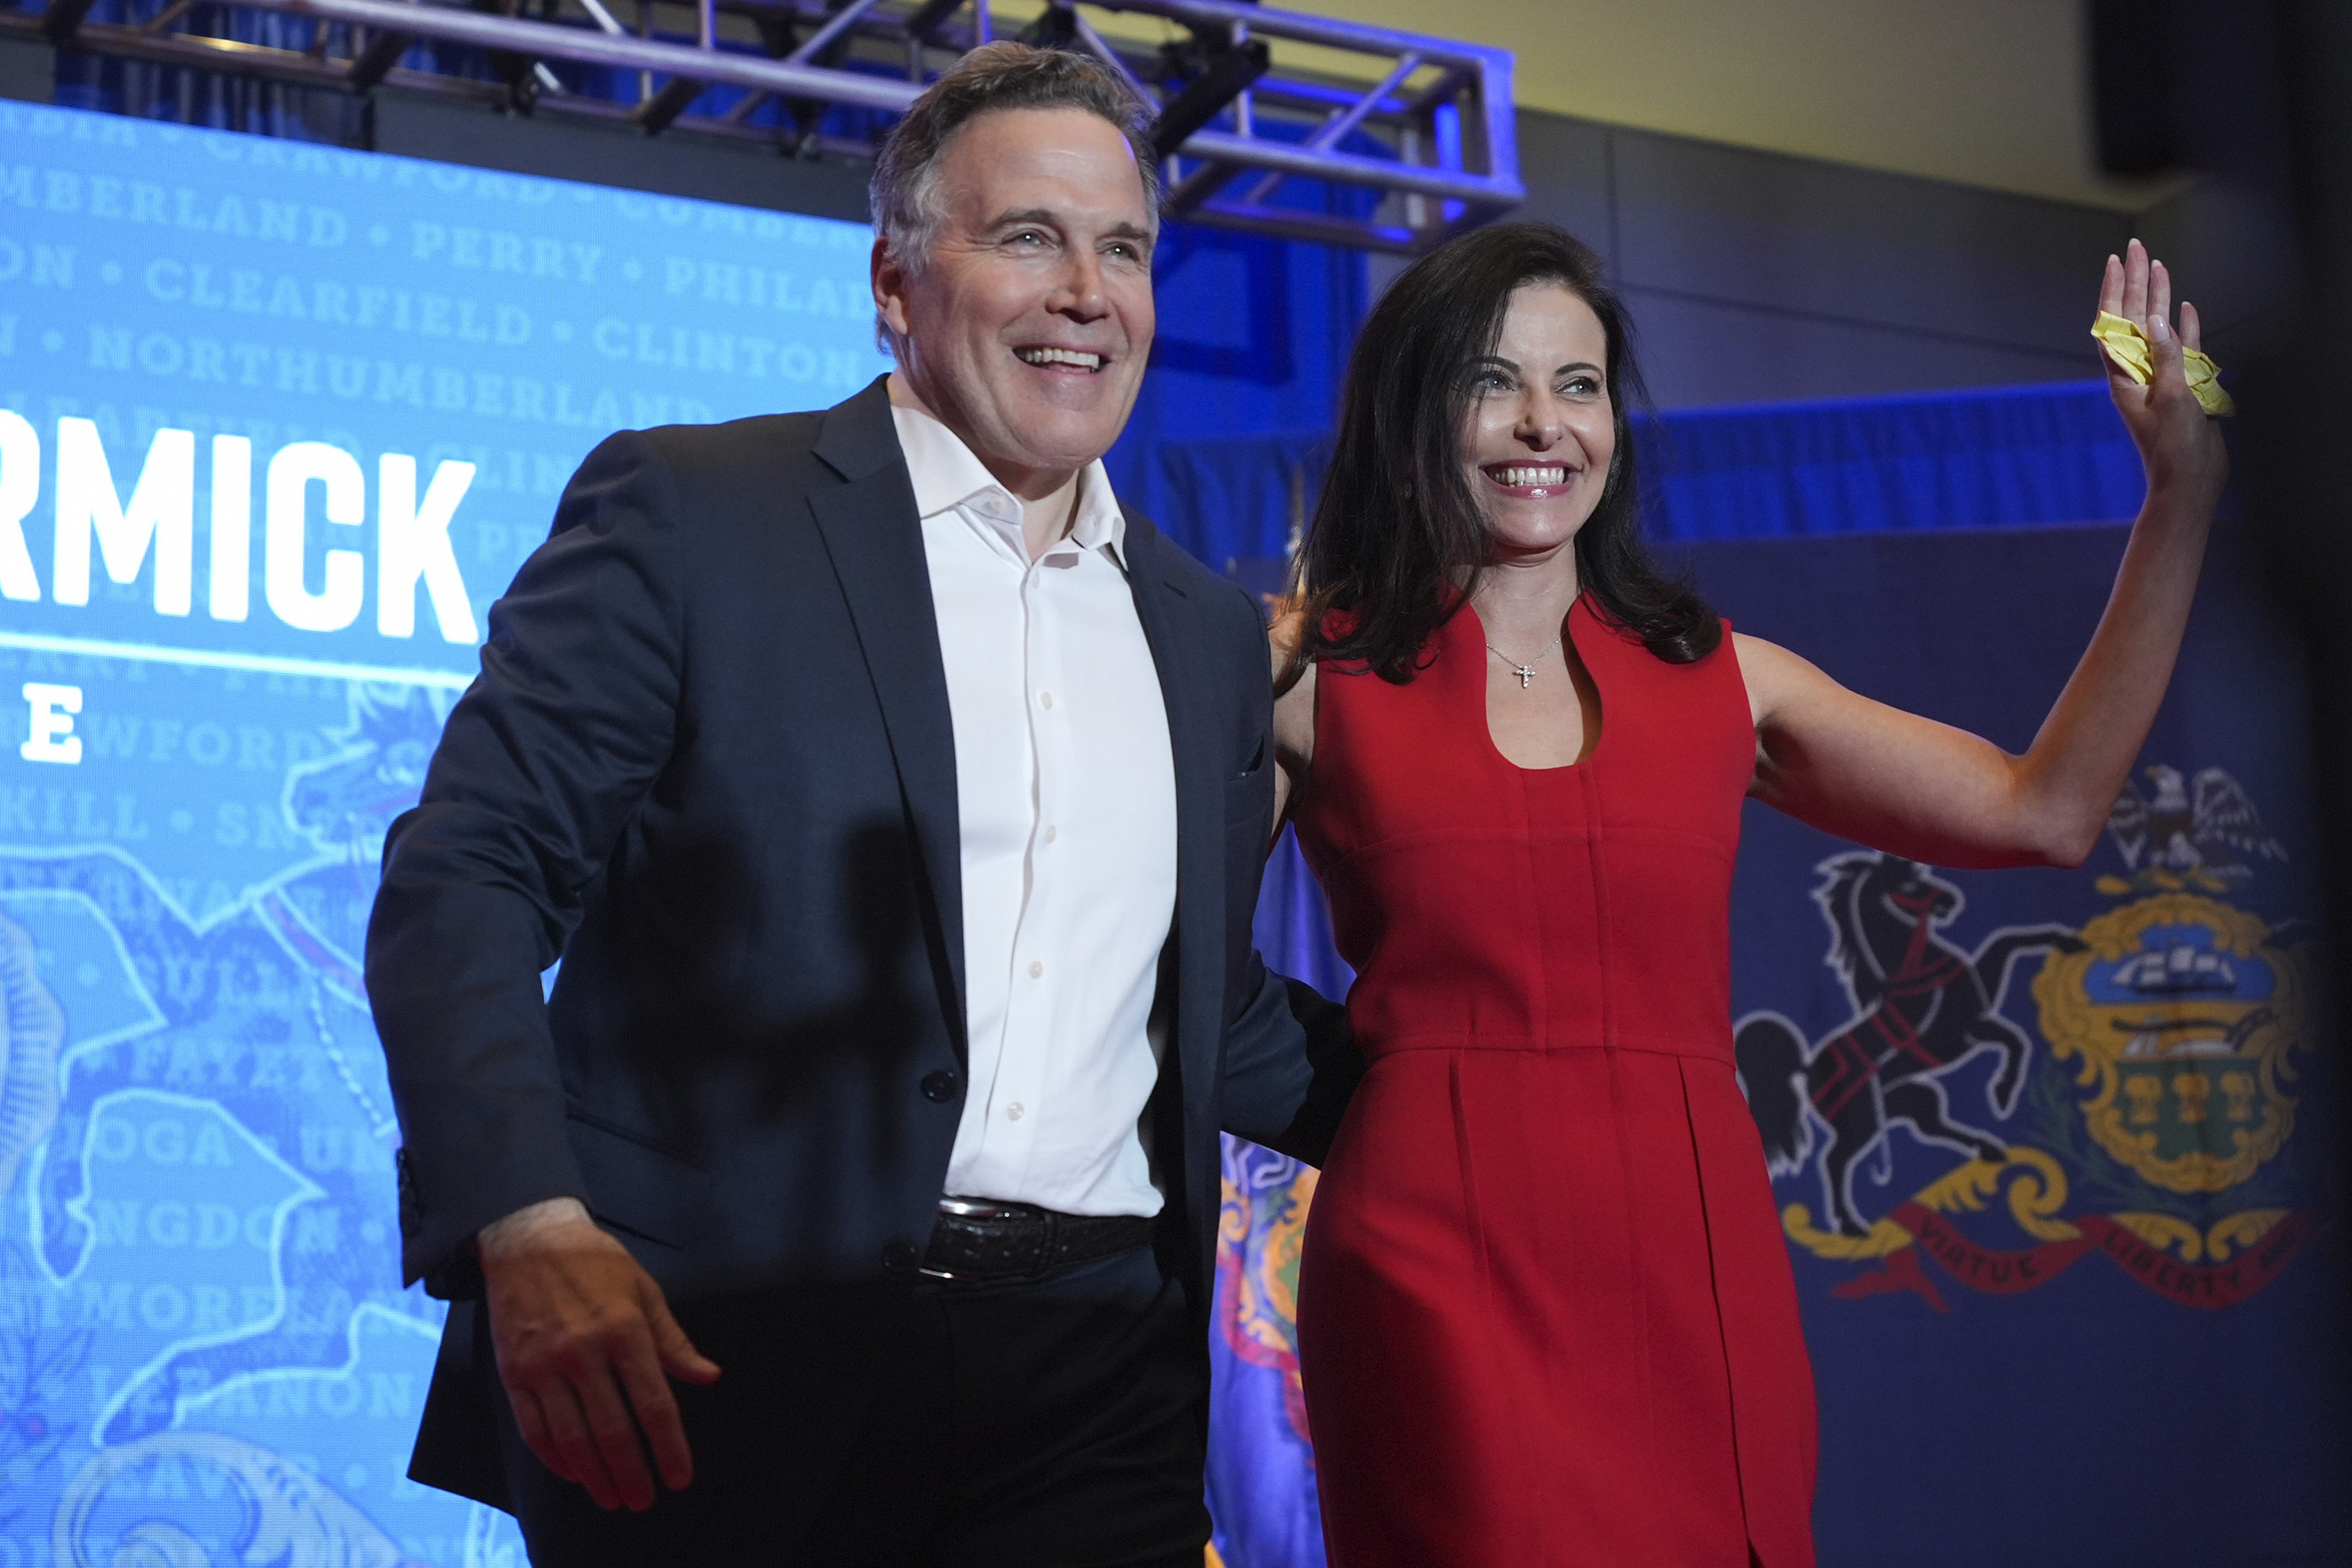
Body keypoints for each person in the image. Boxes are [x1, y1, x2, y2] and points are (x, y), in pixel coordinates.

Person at [367, 42, 1355, 1565]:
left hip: (1096, 1383)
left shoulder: (1203, 631)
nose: (1089, 290)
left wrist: (1512, 1109)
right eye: (1028, 236)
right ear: (896, 284)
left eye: (1125, 248)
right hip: (725, 1364)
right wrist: (526, 1224)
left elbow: (1204, 1019)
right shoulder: (696, 516)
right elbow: (470, 877)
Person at [1268, 222, 2225, 1568]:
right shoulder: (1307, 666)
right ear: (1413, 410)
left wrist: (2176, 500)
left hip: (1692, 1272)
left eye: (1581, 384)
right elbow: (1155, 950)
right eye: (1493, 381)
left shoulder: (1724, 678)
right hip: (1429, 1259)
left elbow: (2045, 809)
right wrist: (1357, 1090)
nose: (1543, 424)